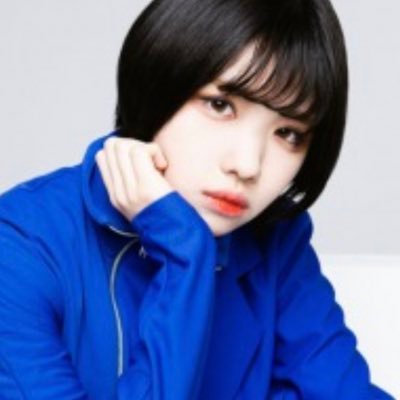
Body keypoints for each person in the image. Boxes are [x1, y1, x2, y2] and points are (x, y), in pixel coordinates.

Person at [0, 0, 394, 398]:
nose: (247, 165)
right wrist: (184, 254)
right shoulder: (20, 244)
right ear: (157, 81)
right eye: (220, 106)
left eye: (288, 133)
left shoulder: (275, 237)